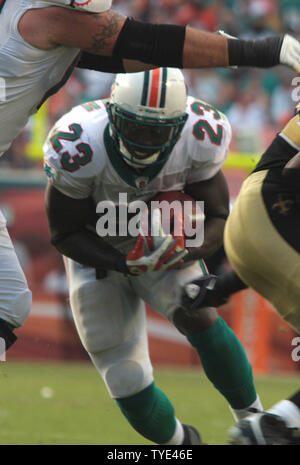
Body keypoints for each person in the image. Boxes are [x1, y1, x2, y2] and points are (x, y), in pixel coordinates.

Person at [1, 0, 300, 357]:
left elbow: (134, 55)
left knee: (8, 302)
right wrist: (263, 49)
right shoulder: (48, 17)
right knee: (8, 302)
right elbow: (147, 41)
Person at [42, 67, 265, 445]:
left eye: (158, 131)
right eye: (136, 127)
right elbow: (64, 233)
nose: (146, 140)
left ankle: (255, 424)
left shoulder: (200, 134)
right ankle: (182, 446)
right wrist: (120, 261)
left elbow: (218, 217)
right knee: (124, 374)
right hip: (97, 250)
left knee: (198, 313)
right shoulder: (78, 142)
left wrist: (187, 250)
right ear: (113, 115)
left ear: (179, 125)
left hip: (163, 239)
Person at [193, 103, 300, 444]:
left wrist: (226, 283)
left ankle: (283, 427)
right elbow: (294, 174)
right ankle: (273, 428)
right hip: (272, 208)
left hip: (260, 221)